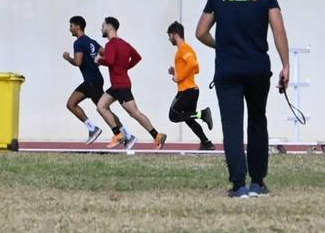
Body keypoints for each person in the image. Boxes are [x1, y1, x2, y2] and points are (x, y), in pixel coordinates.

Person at [195, 0, 290, 199]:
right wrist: (286, 65)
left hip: (228, 70)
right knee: (258, 120)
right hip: (258, 69)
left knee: (232, 125)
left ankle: (239, 185)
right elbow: (279, 30)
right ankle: (258, 182)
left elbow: (200, 32)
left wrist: (221, 46)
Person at [95, 17, 167, 150]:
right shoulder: (124, 44)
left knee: (134, 113)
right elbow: (137, 57)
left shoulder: (111, 44)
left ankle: (157, 136)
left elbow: (110, 61)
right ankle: (118, 134)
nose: (101, 28)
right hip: (118, 85)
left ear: (110, 27)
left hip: (120, 85)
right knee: (101, 106)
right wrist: (125, 67)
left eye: (103, 26)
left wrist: (99, 60)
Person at [62, 15, 129, 144]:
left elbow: (77, 62)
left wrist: (67, 57)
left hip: (92, 81)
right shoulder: (91, 41)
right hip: (92, 80)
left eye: (71, 26)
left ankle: (126, 134)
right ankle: (93, 129)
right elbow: (104, 52)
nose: (69, 29)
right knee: (71, 104)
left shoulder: (78, 42)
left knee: (104, 109)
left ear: (78, 27)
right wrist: (98, 59)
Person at [166, 21, 215, 151]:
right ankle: (207, 143)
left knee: (173, 116)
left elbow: (192, 64)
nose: (169, 39)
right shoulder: (187, 49)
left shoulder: (183, 49)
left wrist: (178, 77)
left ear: (175, 35)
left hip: (186, 91)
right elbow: (196, 69)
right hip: (192, 90)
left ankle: (203, 114)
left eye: (169, 36)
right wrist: (176, 71)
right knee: (189, 119)